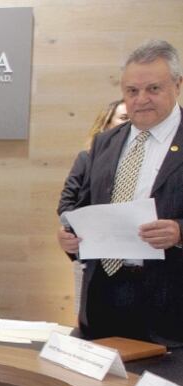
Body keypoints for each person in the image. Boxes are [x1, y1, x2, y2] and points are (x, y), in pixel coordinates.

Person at [57, 40, 183, 343]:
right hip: (104, 298)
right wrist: (69, 237)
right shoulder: (105, 143)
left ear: (178, 85)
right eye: (131, 91)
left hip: (170, 305)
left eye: (153, 89)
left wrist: (180, 232)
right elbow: (84, 207)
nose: (141, 100)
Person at [57, 99, 130, 314]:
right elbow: (66, 204)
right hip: (93, 257)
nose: (128, 124)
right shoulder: (88, 158)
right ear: (105, 124)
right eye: (123, 118)